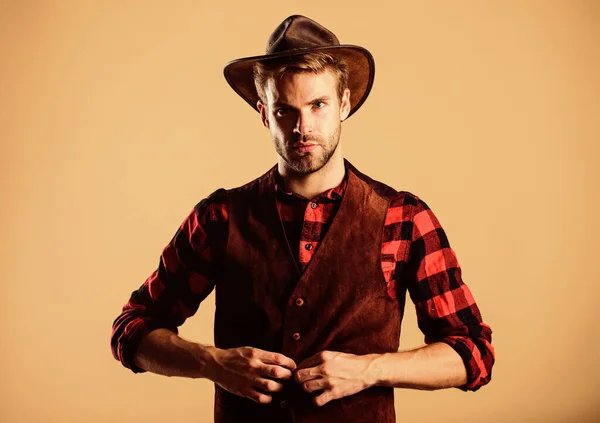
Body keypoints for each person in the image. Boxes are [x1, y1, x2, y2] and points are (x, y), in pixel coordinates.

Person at [111, 14, 494, 423]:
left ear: (343, 104)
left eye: (318, 105)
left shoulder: (402, 217)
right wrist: (213, 363)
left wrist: (371, 369)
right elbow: (132, 329)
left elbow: (472, 353)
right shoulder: (220, 218)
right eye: (284, 111)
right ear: (263, 114)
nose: (303, 127)